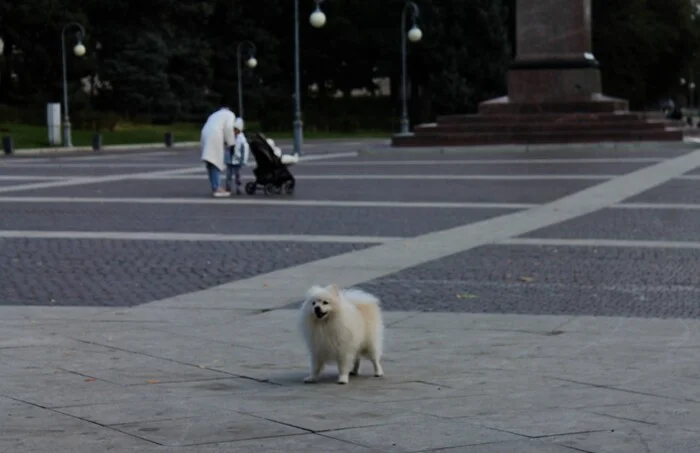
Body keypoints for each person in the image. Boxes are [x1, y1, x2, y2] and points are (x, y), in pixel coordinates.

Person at [200, 107, 236, 197]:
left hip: (205, 133)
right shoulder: (230, 114)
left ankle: (214, 186)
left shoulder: (214, 114)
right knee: (215, 162)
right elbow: (228, 128)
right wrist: (231, 143)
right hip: (215, 135)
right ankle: (217, 188)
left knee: (210, 162)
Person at [225, 117, 250, 195]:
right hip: (229, 159)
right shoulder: (230, 137)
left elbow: (245, 151)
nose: (234, 131)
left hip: (238, 160)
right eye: (233, 129)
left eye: (235, 129)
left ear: (239, 130)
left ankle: (239, 188)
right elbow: (226, 147)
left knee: (238, 175)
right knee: (228, 175)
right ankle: (228, 187)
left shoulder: (242, 139)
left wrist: (244, 160)